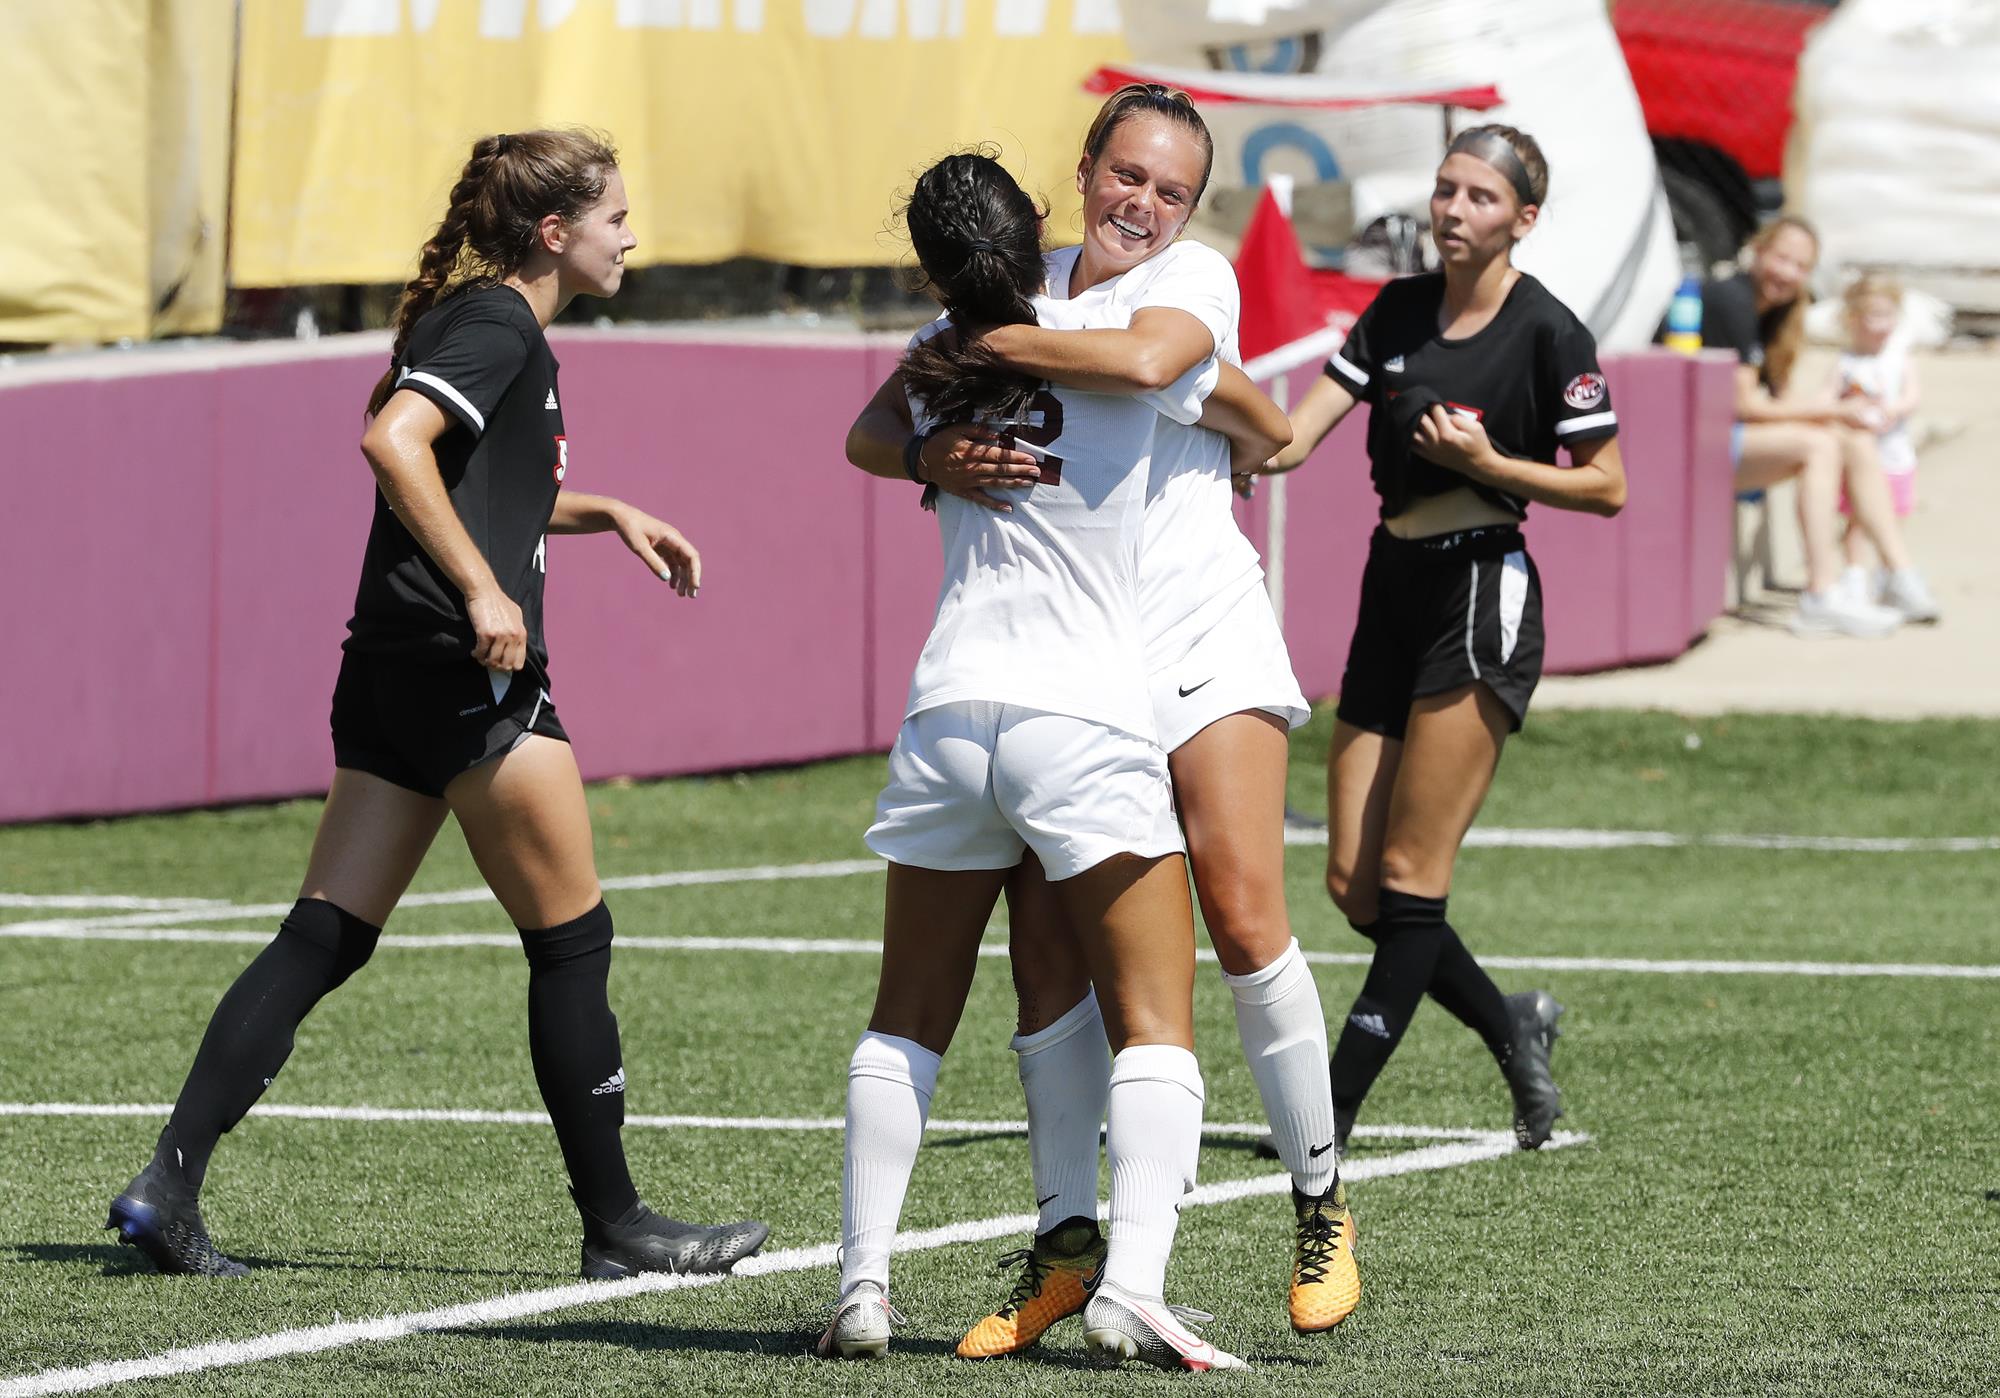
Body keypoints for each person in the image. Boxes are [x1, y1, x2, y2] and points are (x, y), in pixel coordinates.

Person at [104, 129, 769, 1282]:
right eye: (615, 215)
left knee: (324, 933)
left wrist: (601, 510)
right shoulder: (500, 322)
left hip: (392, 674)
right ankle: (616, 1227)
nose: (630, 234)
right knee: (573, 943)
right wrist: (481, 587)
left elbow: (469, 479)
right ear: (554, 233)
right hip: (465, 673)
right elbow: (392, 442)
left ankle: (168, 1184)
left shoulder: (491, 325)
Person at [905, 84, 1358, 1351]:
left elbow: (1157, 363)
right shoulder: (1017, 282)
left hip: (1201, 636)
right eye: (1125, 176)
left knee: (1239, 903)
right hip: (1075, 662)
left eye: (1168, 188)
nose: (1142, 205)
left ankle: (1319, 1201)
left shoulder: (1189, 280)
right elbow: (884, 423)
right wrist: (923, 453)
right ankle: (1062, 1245)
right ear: (1085, 166)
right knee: (1047, 954)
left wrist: (987, 347)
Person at [821, 146, 1271, 1372]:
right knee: (1155, 1026)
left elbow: (863, 436)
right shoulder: (1117, 333)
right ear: (1040, 222)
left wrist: (930, 441)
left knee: (903, 1022)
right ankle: (1128, 1285)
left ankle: (862, 1289)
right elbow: (1236, 410)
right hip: (1083, 718)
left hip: (947, 715)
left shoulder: (942, 353)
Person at [1244, 124, 1622, 1160]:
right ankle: (1511, 1025)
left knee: (1412, 871)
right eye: (1444, 190)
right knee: (1353, 887)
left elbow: (1605, 486)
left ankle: (1327, 1112)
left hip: (1478, 587)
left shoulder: (1549, 332)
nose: (1452, 210)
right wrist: (1197, 413)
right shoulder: (1396, 309)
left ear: (1521, 219)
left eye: (1479, 198)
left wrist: (1491, 457)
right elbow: (1289, 438)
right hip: (1390, 583)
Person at [1699, 216, 1938, 633]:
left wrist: (1837, 414)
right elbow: (1747, 406)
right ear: (1758, 250)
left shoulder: (1774, 314)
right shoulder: (1730, 300)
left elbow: (1777, 400)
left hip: (1731, 440)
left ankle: (1899, 573)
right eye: (1782, 258)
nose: (1788, 273)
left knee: (1853, 439)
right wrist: (1831, 411)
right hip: (1695, 446)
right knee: (1820, 444)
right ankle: (1821, 593)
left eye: (1801, 267)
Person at [1828, 273, 1924, 601]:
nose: (1883, 324)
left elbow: (1913, 395)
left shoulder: (1899, 359)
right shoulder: (1846, 362)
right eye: (1874, 315)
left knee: (1894, 516)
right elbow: (1826, 398)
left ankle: (1887, 572)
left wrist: (1895, 409)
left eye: (1889, 315)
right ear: (1853, 319)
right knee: (1856, 519)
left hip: (1895, 454)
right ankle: (1854, 573)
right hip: (1858, 457)